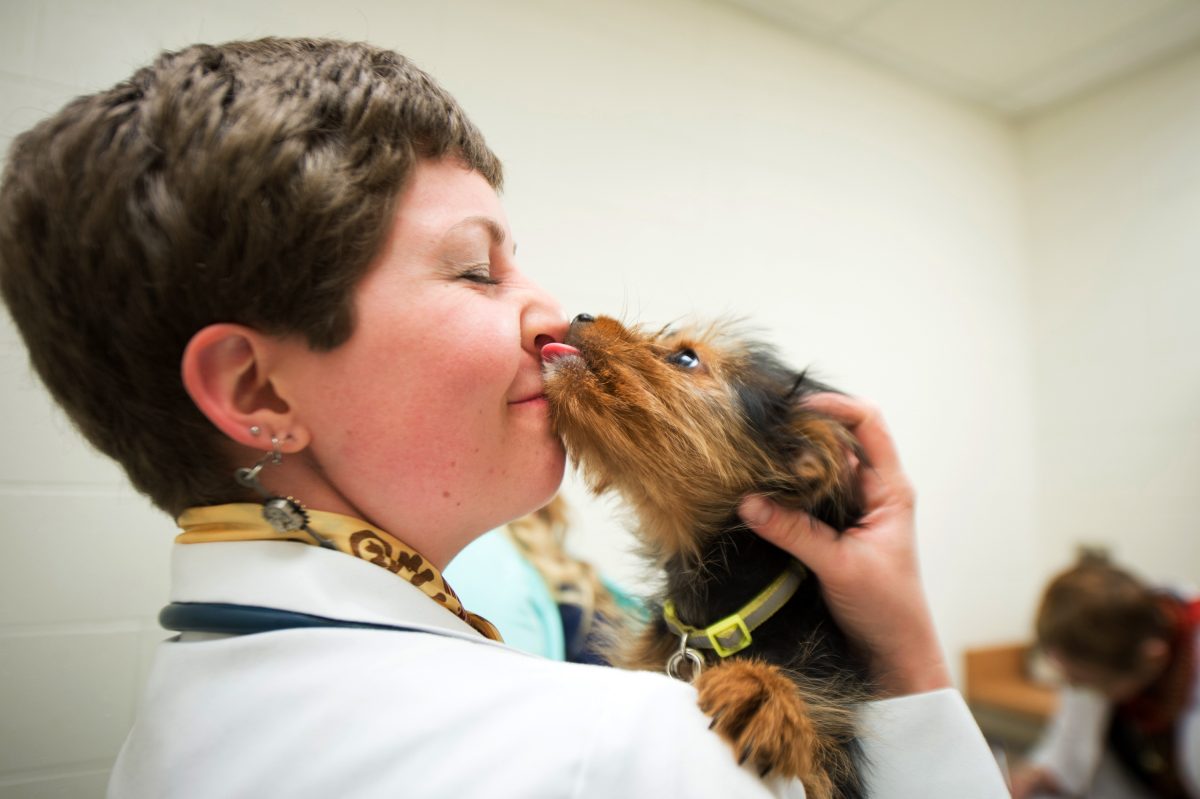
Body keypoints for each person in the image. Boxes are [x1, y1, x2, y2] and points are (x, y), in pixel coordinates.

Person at [0, 38, 1009, 797]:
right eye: (477, 270)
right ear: (260, 391)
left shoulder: (166, 732)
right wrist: (911, 659)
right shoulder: (632, 751)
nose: (554, 315)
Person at [1011, 559, 1199, 798]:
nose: (1076, 690)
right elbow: (1069, 748)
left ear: (1153, 658)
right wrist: (1034, 775)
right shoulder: (1106, 634)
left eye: (1087, 683)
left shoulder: (1129, 641)